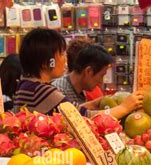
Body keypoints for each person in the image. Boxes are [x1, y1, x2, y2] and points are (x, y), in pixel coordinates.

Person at [13, 28, 143, 118]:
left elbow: (68, 111)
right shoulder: (42, 91)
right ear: (47, 63)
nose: (65, 59)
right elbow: (84, 118)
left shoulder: (27, 85)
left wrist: (93, 104)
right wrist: (125, 107)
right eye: (61, 54)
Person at [52, 42, 112, 106]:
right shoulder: (59, 93)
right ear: (88, 71)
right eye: (101, 75)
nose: (101, 82)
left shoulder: (80, 89)